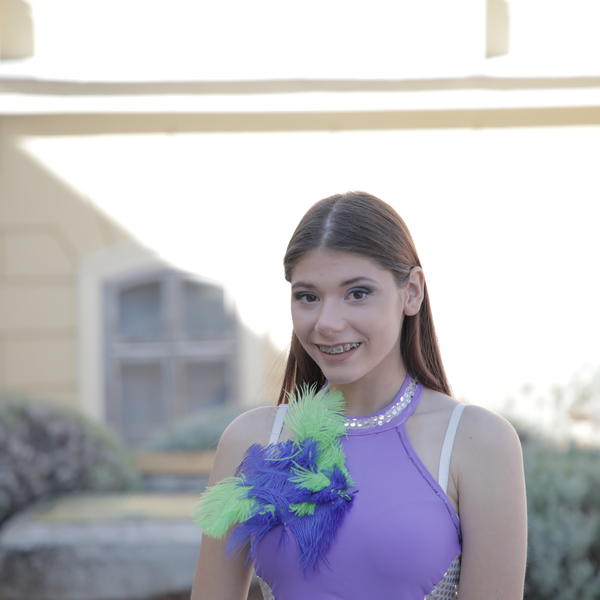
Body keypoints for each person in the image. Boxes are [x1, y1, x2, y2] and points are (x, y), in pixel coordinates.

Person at [191, 191, 528, 600]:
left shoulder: (477, 442)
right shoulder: (252, 439)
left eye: (358, 293)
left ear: (412, 292)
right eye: (308, 296)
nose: (328, 323)